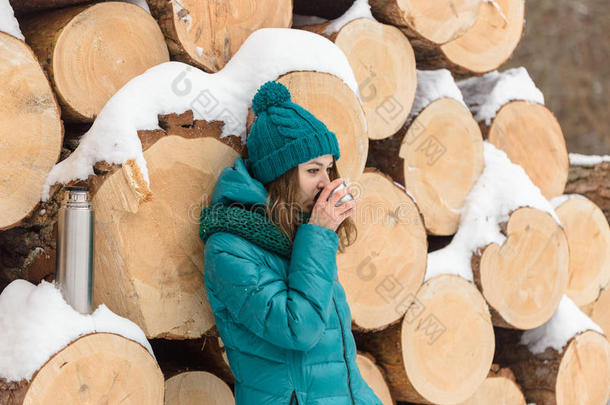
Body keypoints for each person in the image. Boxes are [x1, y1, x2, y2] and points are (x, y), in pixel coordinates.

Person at [199, 80, 383, 404]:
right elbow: (300, 329)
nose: (326, 182)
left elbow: (339, 364)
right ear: (279, 175)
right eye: (312, 170)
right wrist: (319, 235)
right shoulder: (229, 247)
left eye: (328, 168)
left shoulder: (299, 232)